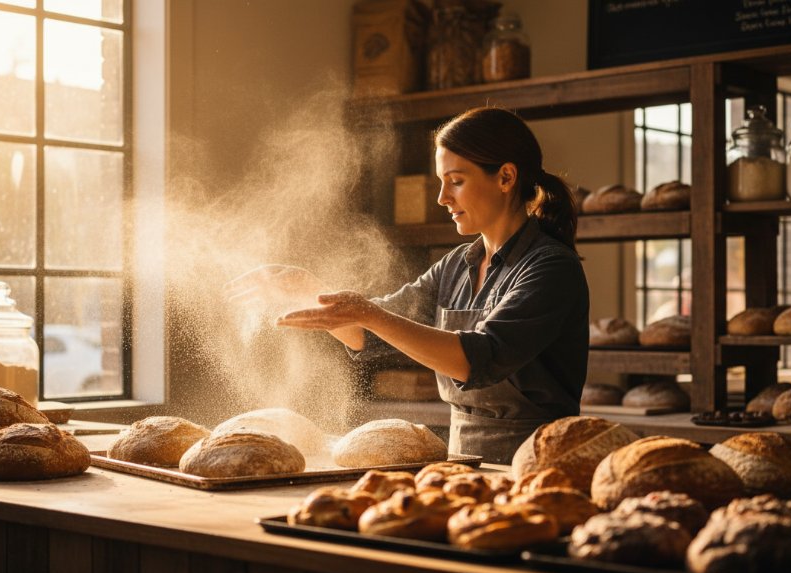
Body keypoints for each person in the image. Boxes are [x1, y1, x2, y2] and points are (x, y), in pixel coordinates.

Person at [227, 107, 589, 464]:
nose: (442, 198)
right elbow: (368, 335)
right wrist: (309, 288)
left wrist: (366, 311)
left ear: (506, 177)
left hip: (539, 462)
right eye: (441, 182)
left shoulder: (551, 266)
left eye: (456, 181)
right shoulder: (456, 264)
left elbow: (479, 360)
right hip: (464, 459)